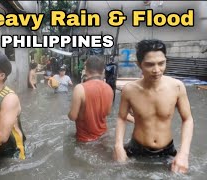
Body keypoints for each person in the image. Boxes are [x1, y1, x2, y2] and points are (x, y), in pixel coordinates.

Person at [113, 39, 194, 174]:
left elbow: (188, 119)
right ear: (139, 64)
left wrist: (184, 153)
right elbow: (121, 118)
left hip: (167, 151)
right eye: (150, 65)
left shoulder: (177, 87)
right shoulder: (129, 90)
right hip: (136, 149)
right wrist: (118, 146)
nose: (157, 70)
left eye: (161, 63)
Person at [68, 56, 114, 142]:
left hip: (84, 140)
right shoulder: (109, 88)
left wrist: (70, 112)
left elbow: (72, 117)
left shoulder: (79, 88)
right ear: (103, 71)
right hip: (103, 137)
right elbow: (108, 113)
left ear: (85, 69)